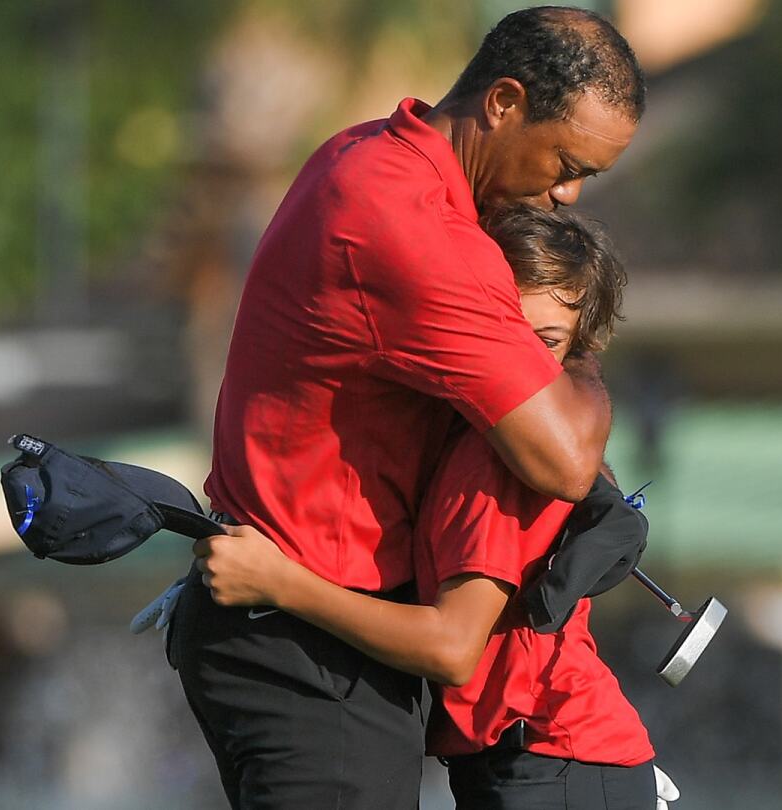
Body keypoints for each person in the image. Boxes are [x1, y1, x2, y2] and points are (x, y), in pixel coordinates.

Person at [168, 7, 646, 809]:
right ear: (503, 102)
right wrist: (580, 355)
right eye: (567, 162)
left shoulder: (366, 150)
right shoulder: (412, 226)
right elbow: (563, 460)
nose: (566, 194)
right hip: (303, 638)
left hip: (298, 631)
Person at [195, 207, 677, 809]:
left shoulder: (499, 463)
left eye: (547, 342)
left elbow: (451, 647)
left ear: (579, 346)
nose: (521, 364)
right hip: (536, 763)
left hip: (557, 762)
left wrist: (280, 583)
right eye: (506, 334)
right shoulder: (461, 437)